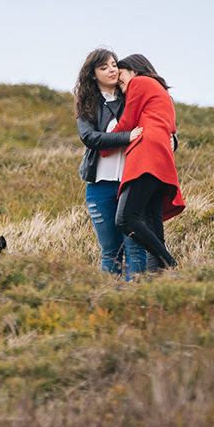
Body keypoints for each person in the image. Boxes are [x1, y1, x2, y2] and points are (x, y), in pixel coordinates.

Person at [74, 48, 148, 277]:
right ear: (93, 74)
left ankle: (134, 299)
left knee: (136, 248)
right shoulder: (87, 103)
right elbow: (89, 138)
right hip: (100, 187)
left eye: (114, 64)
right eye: (104, 67)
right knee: (110, 251)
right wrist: (126, 137)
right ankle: (109, 302)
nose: (112, 70)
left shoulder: (131, 95)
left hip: (133, 183)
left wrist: (171, 138)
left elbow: (155, 121)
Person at [110, 54, 185, 271]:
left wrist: (101, 145)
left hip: (146, 156)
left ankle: (170, 263)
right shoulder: (163, 94)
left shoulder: (139, 81)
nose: (119, 81)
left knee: (125, 219)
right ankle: (157, 281)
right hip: (160, 159)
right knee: (153, 229)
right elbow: (170, 128)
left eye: (120, 75)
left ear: (134, 70)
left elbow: (127, 122)